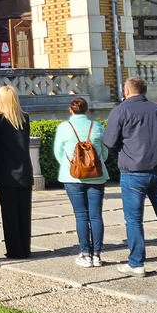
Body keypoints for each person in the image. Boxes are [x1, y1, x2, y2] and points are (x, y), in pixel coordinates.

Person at [102, 77, 157, 277]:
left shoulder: (121, 110)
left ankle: (137, 263)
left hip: (133, 171)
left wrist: (122, 152)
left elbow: (109, 141)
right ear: (144, 91)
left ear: (126, 91)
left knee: (134, 219)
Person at [53, 97, 108, 268]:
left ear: (71, 110)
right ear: (87, 110)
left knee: (81, 215)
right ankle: (97, 254)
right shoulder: (97, 127)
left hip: (72, 177)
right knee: (96, 216)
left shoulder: (64, 127)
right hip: (97, 176)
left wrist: (71, 166)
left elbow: (58, 152)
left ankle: (85, 254)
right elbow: (104, 152)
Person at [0, 85, 33, 259]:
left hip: (6, 171)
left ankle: (15, 250)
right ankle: (25, 248)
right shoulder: (24, 118)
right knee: (24, 212)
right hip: (25, 170)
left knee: (9, 214)